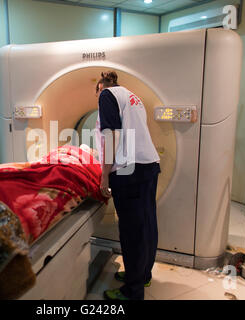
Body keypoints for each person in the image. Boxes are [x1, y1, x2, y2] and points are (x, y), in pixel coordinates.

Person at [95, 71, 161, 301]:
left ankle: (133, 293)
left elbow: (111, 135)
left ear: (101, 86)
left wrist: (104, 175)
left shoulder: (106, 96)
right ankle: (142, 275)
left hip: (127, 171)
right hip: (149, 164)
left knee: (132, 233)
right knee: (147, 226)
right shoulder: (133, 96)